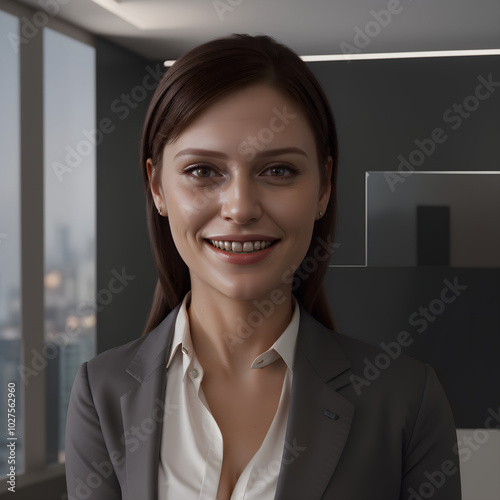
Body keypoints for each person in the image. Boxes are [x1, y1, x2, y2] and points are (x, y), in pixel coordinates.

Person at [65, 34, 462, 500]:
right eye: (202, 171)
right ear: (157, 187)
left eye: (278, 171)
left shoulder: (405, 400)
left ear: (323, 187)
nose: (240, 207)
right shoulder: (102, 393)